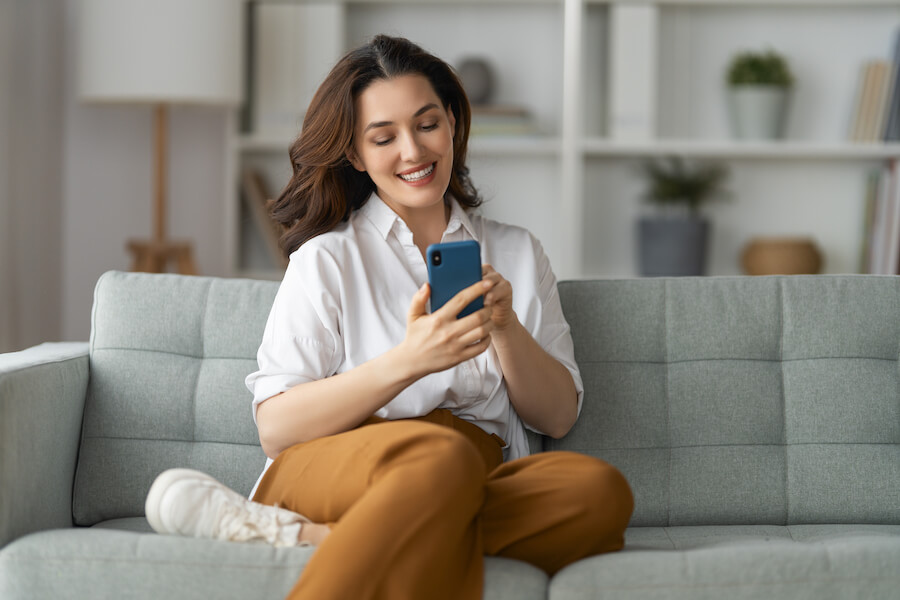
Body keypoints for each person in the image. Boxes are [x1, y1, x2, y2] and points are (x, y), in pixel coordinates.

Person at [145, 34, 633, 600]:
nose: (413, 151)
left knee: (598, 491)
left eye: (427, 124)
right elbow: (276, 428)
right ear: (355, 154)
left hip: (473, 473)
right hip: (343, 464)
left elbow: (558, 417)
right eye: (384, 137)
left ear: (452, 122)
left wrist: (504, 327)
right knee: (439, 458)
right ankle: (359, 522)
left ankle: (310, 537)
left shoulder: (520, 254)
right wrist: (407, 362)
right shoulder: (326, 259)